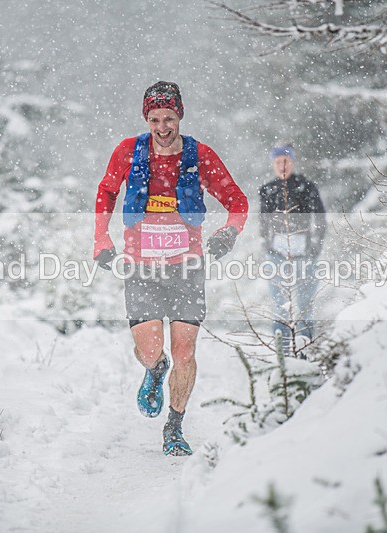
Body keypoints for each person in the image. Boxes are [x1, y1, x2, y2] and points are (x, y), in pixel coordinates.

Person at [93, 81, 248, 456]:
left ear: (180, 114)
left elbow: (237, 201)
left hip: (187, 268)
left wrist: (228, 234)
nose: (162, 127)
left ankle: (174, 427)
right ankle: (155, 369)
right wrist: (101, 239)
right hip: (141, 267)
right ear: (146, 118)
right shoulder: (128, 152)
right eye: (155, 119)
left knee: (185, 352)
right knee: (150, 350)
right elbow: (106, 193)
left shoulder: (200, 155)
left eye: (169, 118)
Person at [259, 144, 326, 347]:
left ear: (293, 162)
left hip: (305, 254)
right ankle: (284, 352)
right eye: (278, 162)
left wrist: (315, 248)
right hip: (276, 254)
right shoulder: (268, 190)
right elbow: (263, 223)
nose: (282, 166)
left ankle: (305, 348)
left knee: (305, 305)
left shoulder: (307, 187)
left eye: (286, 161)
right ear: (273, 164)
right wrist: (268, 247)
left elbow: (321, 219)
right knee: (280, 306)